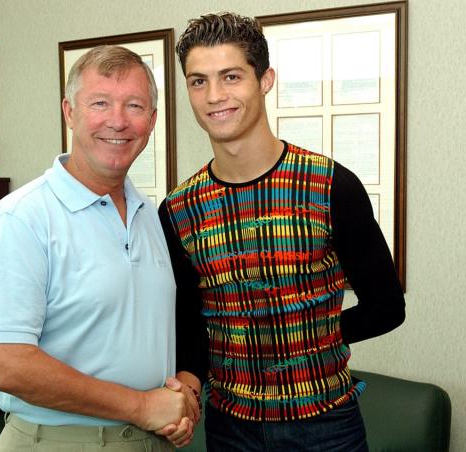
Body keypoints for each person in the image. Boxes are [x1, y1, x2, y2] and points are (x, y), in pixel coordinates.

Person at [159, 12, 406, 451]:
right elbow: (191, 325)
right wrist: (188, 388)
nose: (214, 96)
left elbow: (387, 307)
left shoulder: (330, 185)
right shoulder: (179, 209)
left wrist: (304, 337)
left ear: (265, 80)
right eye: (198, 81)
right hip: (229, 427)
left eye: (230, 76)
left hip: (327, 424)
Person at [0, 45, 199, 451]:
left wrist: (181, 400)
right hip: (59, 441)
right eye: (99, 103)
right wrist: (142, 406)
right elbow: (5, 365)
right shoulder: (22, 218)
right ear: (69, 112)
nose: (117, 120)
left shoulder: (151, 215)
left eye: (134, 105)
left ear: (152, 121)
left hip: (154, 440)